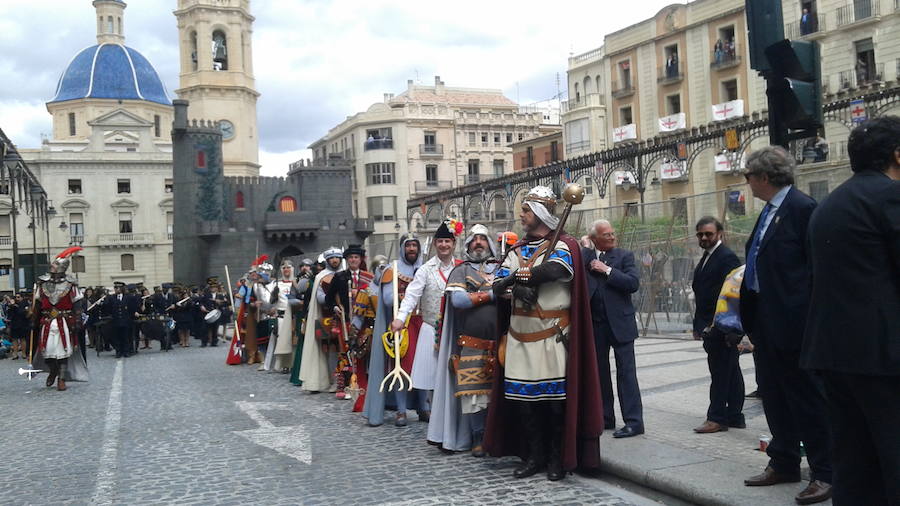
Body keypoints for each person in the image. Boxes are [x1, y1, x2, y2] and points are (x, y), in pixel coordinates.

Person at [802, 117, 900, 505]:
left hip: (834, 353)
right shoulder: (890, 196)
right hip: (883, 356)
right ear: (897, 154)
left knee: (854, 460)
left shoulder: (830, 204)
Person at [485, 185, 603, 481]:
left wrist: (523, 277)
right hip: (520, 340)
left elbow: (557, 270)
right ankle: (534, 456)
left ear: (538, 214)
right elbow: (497, 286)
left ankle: (555, 457)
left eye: (526, 210)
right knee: (525, 406)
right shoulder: (517, 250)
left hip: (551, 337)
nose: (521, 216)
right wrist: (517, 282)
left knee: (553, 406)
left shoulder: (563, 245)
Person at [739, 146, 832, 504]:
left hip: (794, 323)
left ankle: (825, 471)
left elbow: (816, 269)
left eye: (749, 176)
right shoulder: (769, 211)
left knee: (807, 399)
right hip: (766, 320)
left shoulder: (802, 209)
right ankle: (784, 461)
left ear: (764, 176)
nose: (746, 182)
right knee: (775, 395)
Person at [429, 224, 498, 455]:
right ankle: (478, 438)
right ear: (467, 245)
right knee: (474, 395)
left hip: (502, 342)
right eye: (474, 240)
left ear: (491, 244)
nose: (479, 243)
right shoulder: (461, 271)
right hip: (472, 343)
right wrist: (491, 294)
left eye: (483, 239)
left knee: (499, 393)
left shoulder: (502, 268)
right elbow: (458, 301)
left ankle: (498, 436)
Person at [391, 220, 463, 423]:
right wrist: (400, 318)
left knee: (457, 373)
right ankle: (438, 416)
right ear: (434, 245)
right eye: (440, 241)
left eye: (447, 241)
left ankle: (456, 415)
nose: (443, 245)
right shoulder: (425, 270)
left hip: (457, 330)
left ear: (454, 244)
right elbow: (412, 295)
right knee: (433, 378)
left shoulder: (462, 268)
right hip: (432, 329)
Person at [583, 219, 644, 438]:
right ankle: (605, 417)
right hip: (596, 325)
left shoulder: (624, 256)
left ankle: (634, 422)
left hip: (621, 324)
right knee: (599, 374)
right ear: (595, 239)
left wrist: (607, 270)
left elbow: (633, 283)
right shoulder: (587, 257)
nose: (611, 237)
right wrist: (586, 248)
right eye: (606, 234)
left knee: (626, 374)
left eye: (612, 233)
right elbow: (577, 271)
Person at [364, 235, 425, 427]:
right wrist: (411, 292)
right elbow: (389, 299)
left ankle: (424, 406)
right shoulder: (392, 270)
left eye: (415, 245)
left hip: (423, 323)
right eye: (409, 245)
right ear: (402, 248)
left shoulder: (426, 268)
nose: (412, 249)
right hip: (401, 323)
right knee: (400, 366)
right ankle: (400, 410)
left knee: (424, 366)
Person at [691, 216, 744, 434]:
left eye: (708, 234)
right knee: (730, 370)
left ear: (719, 234)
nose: (704, 237)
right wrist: (698, 325)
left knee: (721, 371)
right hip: (709, 325)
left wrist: (728, 328)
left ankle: (717, 418)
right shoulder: (708, 257)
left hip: (721, 326)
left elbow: (732, 294)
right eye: (700, 234)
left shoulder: (726, 257)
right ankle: (734, 415)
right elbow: (702, 293)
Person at [326, 245, 377, 408]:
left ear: (361, 259)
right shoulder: (339, 277)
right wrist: (336, 308)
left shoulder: (369, 277)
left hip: (365, 322)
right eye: (350, 258)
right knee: (345, 352)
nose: (353, 260)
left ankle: (364, 383)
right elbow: (329, 299)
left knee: (363, 352)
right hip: (346, 320)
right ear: (346, 260)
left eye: (356, 257)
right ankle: (344, 384)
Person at [32, 247, 88, 390]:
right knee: (47, 351)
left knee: (63, 351)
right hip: (47, 322)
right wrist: (33, 320)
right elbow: (37, 304)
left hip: (64, 321)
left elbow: (77, 305)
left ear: (62, 267)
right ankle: (53, 370)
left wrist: (76, 321)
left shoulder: (70, 284)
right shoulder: (42, 283)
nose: (53, 266)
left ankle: (61, 380)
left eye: (56, 264)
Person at [299, 247, 344, 392]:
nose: (335, 260)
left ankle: (348, 379)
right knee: (331, 348)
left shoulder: (346, 274)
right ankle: (334, 379)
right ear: (327, 260)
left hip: (347, 316)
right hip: (327, 317)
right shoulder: (321, 277)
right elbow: (319, 297)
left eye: (337, 257)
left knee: (347, 348)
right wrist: (332, 303)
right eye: (332, 258)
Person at [267, 260, 302, 374]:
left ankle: (294, 364)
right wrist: (274, 295)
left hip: (295, 315)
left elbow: (302, 296)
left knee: (295, 342)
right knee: (283, 341)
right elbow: (271, 302)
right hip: (282, 316)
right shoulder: (276, 284)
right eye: (284, 268)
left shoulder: (298, 282)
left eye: (289, 267)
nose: (286, 270)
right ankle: (283, 364)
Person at [104, 281, 139, 358]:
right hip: (116, 321)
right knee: (117, 337)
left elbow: (132, 308)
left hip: (126, 320)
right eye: (115, 288)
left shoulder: (128, 297)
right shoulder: (112, 298)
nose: (116, 289)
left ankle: (126, 351)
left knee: (126, 337)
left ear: (122, 288)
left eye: (118, 288)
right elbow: (108, 309)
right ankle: (118, 351)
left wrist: (131, 316)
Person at [7, 292, 31, 360]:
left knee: (22, 339)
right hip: (14, 324)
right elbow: (9, 314)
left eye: (18, 297)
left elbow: (23, 312)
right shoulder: (12, 305)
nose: (17, 299)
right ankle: (15, 354)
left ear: (22, 298)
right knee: (14, 339)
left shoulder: (25, 304)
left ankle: (23, 353)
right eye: (16, 297)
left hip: (23, 324)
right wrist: (11, 306)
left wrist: (15, 306)